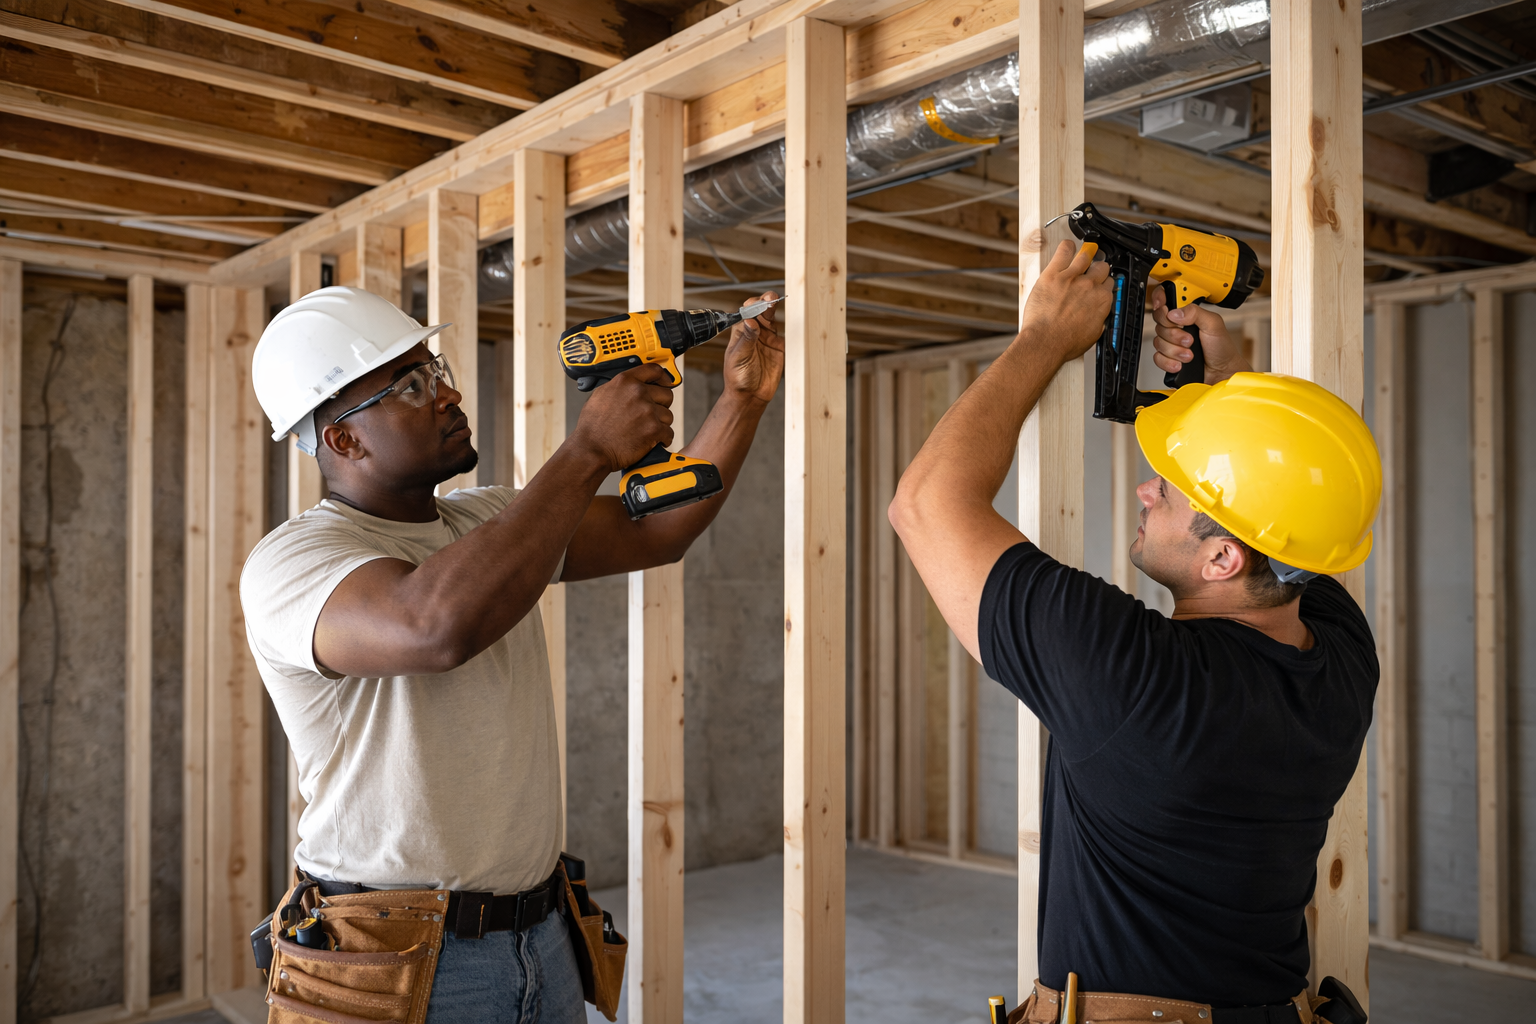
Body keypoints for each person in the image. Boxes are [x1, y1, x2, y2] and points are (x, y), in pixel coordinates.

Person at [241, 285, 783, 1023]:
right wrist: (588, 449)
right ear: (344, 439)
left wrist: (743, 398)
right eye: (410, 386)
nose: (447, 392)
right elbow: (432, 626)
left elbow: (660, 532)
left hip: (542, 934)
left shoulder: (490, 519)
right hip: (391, 958)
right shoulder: (295, 562)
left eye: (435, 369)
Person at [888, 242, 1381, 1024]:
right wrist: (1221, 392)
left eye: (1176, 489)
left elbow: (924, 503)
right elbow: (1294, 528)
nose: (1148, 487)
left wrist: (1043, 339)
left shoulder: (1140, 678)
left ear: (1223, 555)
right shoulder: (1341, 664)